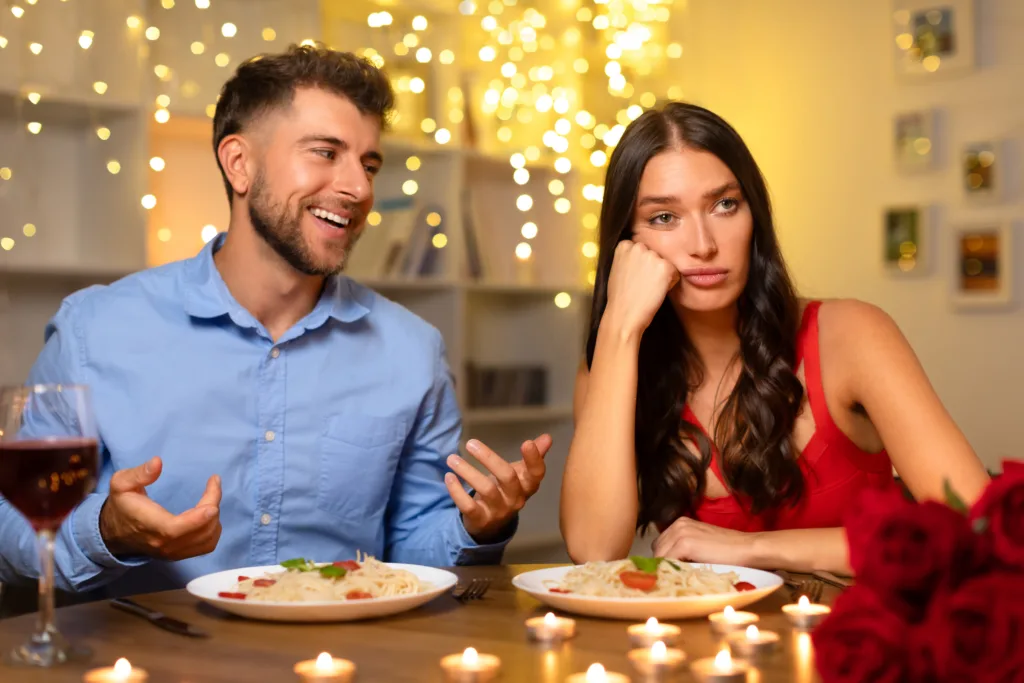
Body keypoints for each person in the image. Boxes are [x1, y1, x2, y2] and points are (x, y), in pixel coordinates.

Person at [0, 44, 551, 597]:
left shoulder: (412, 352)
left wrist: (480, 526)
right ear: (239, 163)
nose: (358, 188)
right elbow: (10, 529)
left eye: (368, 164)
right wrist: (107, 531)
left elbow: (414, 551)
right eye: (325, 153)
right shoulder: (96, 329)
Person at [560, 102, 990, 575]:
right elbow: (593, 550)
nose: (703, 244)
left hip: (860, 639)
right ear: (627, 242)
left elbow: (977, 529)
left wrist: (752, 549)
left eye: (725, 205)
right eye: (664, 217)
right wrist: (620, 328)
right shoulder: (614, 362)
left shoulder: (853, 336)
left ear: (754, 216)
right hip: (704, 646)